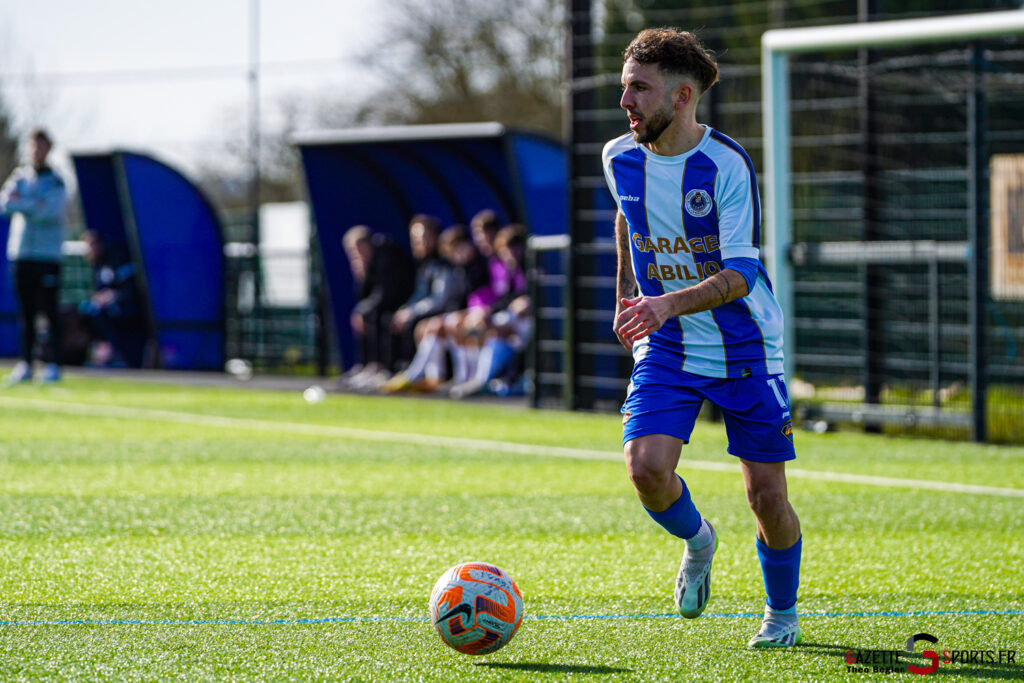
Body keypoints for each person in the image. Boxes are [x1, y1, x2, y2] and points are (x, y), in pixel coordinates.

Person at [604, 28, 802, 648]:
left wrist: (664, 303)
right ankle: (699, 541)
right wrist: (626, 295)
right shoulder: (618, 157)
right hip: (669, 345)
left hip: (746, 346)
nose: (625, 101)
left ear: (682, 96)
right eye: (624, 87)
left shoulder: (725, 165)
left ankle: (782, 615)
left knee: (767, 499)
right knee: (646, 469)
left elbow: (742, 273)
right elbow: (626, 217)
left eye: (640, 88)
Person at [0, 128, 68, 383]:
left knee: (49, 312)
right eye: (33, 146)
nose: (37, 151)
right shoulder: (19, 176)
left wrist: (23, 204)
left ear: (49, 149)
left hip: (48, 256)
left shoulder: (57, 181)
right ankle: (27, 364)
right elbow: (5, 203)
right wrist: (34, 204)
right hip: (22, 254)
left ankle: (53, 364)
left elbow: (50, 211)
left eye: (42, 146)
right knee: (26, 313)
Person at [340, 225, 414, 390]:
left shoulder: (386, 255)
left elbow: (386, 293)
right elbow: (365, 295)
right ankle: (368, 365)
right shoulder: (370, 263)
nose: (355, 256)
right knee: (364, 317)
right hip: (387, 304)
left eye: (356, 250)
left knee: (376, 316)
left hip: (401, 303)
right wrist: (362, 275)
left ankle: (384, 368)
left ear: (365, 244)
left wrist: (363, 310)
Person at [78, 230, 147, 367]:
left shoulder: (117, 259)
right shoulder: (97, 265)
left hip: (127, 308)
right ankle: (100, 352)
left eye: (91, 246)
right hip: (107, 309)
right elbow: (98, 290)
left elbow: (130, 289)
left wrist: (113, 295)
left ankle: (116, 354)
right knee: (87, 310)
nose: (89, 251)